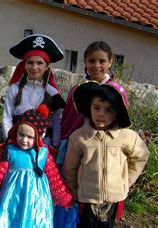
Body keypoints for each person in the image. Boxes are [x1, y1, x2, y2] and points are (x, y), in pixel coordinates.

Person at [54, 41, 130, 228]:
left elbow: (120, 126)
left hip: (103, 151)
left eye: (101, 61)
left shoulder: (116, 92)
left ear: (110, 62)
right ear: (85, 62)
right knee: (72, 188)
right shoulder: (77, 89)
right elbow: (68, 121)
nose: (96, 65)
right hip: (77, 146)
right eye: (92, 61)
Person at [63, 80, 149, 227]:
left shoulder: (127, 136)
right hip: (87, 198)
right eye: (97, 108)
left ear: (116, 114)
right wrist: (74, 191)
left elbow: (141, 155)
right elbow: (70, 168)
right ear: (89, 108)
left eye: (108, 110)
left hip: (113, 200)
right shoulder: (79, 137)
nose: (101, 114)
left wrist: (125, 181)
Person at [0, 104, 73, 227]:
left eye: (30, 137)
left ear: (39, 137)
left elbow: (54, 179)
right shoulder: (8, 150)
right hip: (9, 201)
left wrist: (64, 198)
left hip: (35, 204)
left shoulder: (43, 154)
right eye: (21, 134)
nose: (24, 140)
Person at [2, 34, 66, 149]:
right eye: (30, 63)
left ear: (47, 67)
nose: (34, 67)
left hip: (43, 146)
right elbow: (7, 117)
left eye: (39, 63)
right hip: (18, 144)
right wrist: (10, 141)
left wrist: (55, 145)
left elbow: (57, 123)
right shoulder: (14, 89)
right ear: (24, 65)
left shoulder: (53, 93)